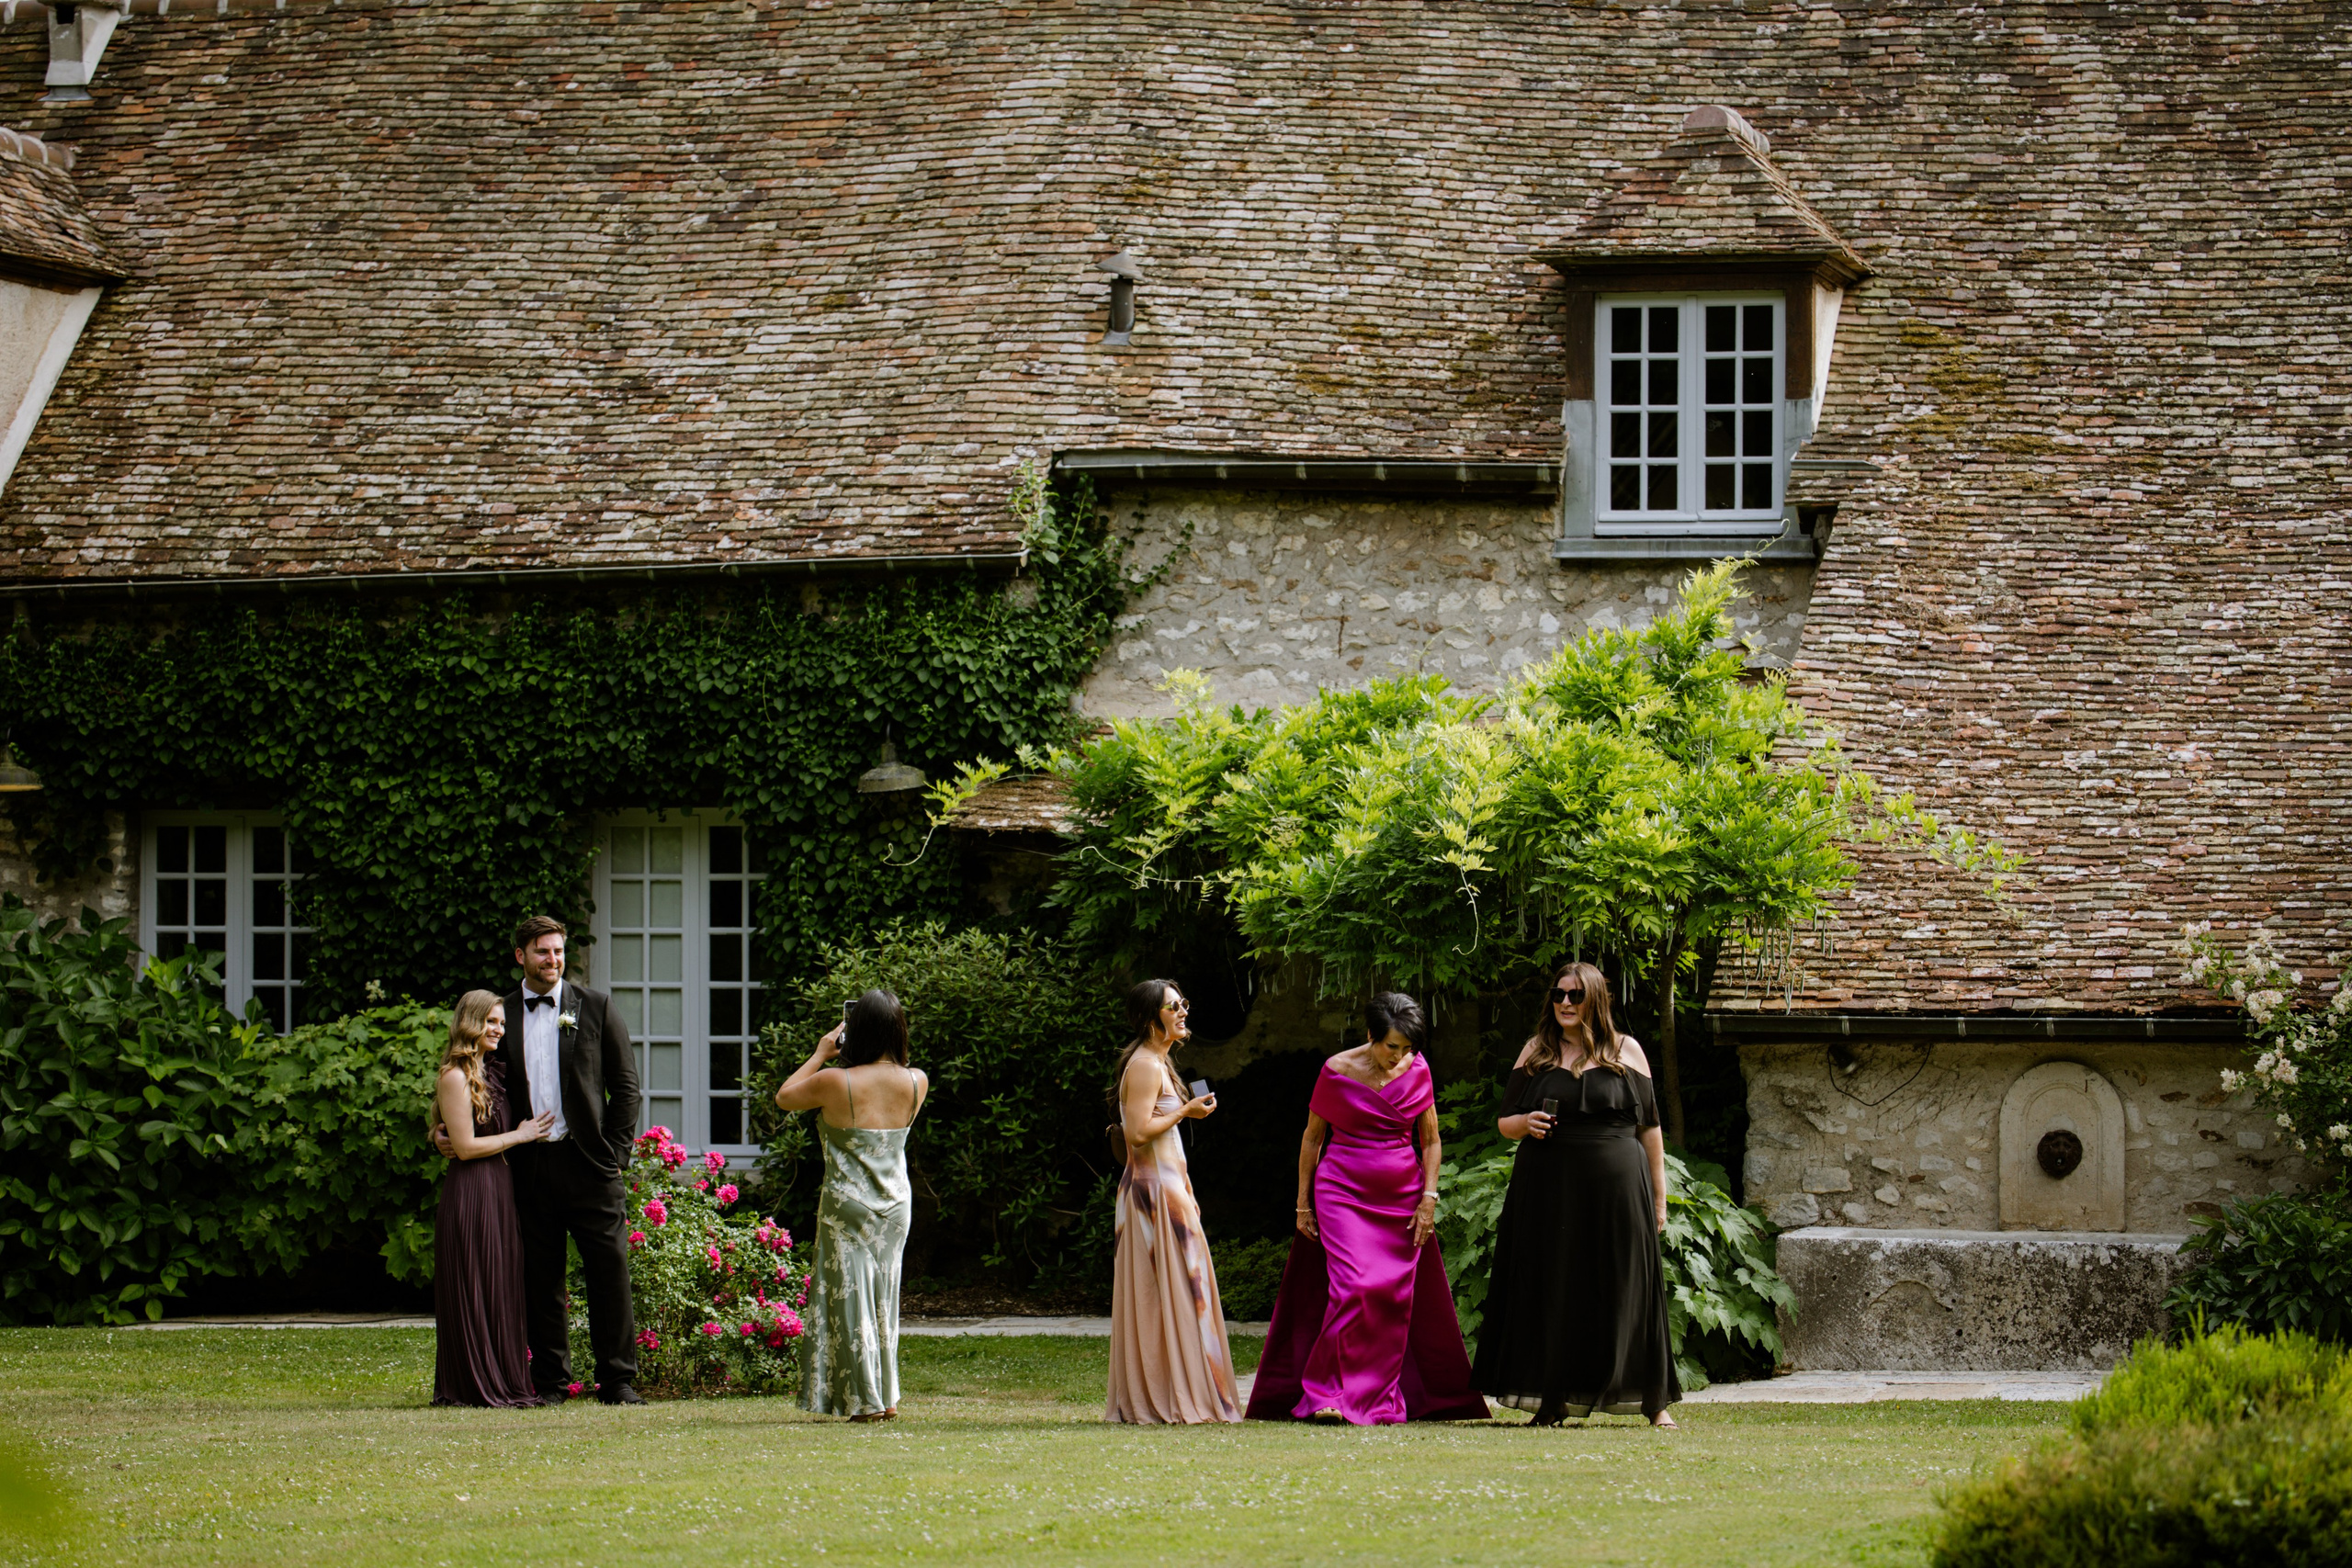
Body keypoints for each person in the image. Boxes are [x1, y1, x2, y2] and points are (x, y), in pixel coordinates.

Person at [1248, 992, 1488, 1425]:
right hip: (1342, 1190)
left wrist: (1429, 1199)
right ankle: (1324, 1393)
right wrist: (1303, 1204)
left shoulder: (1418, 1071)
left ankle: (1374, 1396)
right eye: (1391, 1047)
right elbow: (1311, 1138)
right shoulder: (1336, 1071)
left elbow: (1431, 1141)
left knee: (1390, 1296)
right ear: (1370, 1036)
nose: (1399, 1057)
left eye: (1408, 1049)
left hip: (1401, 1194)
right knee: (1353, 1288)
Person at [435, 915, 642, 1404]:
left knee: (609, 1271)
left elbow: (626, 1087)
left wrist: (616, 1154)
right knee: (540, 1277)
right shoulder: (499, 1015)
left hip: (591, 1164)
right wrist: (443, 1131)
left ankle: (618, 1381)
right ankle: (551, 1382)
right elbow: (468, 1082)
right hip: (526, 1167)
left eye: (558, 951)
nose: (553, 960)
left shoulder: (595, 1007)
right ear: (520, 956)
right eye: (542, 952)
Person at [1470, 961, 1680, 1427]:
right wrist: (1525, 1124)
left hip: (1618, 1188)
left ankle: (1654, 1403)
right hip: (1547, 1188)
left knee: (1627, 1284)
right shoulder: (1536, 1051)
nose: (1564, 1002)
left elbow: (1650, 1130)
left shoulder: (1628, 1052)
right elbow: (1505, 1122)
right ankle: (1552, 1400)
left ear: (1596, 1000)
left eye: (1575, 995)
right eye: (1558, 994)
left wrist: (1658, 1199)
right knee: (1551, 1286)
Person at [773, 987, 928, 1421]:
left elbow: (785, 1097)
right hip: (896, 1203)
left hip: (847, 1201)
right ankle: (888, 1397)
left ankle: (864, 1402)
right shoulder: (918, 1080)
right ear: (898, 1031)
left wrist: (822, 1052)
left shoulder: (834, 1081)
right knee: (884, 1299)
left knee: (851, 1301)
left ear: (854, 1031)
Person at [1104, 978, 1243, 1424]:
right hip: (1151, 1196)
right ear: (1151, 1019)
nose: (1183, 1012)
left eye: (1184, 1003)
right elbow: (1137, 1134)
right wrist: (1184, 1111)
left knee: (1183, 1292)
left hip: (1168, 1190)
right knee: (1164, 1295)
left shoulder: (1160, 1063)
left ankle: (1188, 1390)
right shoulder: (1144, 1066)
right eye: (1173, 1007)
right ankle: (1169, 1396)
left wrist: (1187, 1190)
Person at [430, 990, 557, 1407]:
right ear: (470, 1023)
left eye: (502, 1023)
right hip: (471, 1191)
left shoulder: (492, 1072)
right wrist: (520, 1135)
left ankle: (503, 1378)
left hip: (500, 1190)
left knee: (500, 1284)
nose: (500, 1030)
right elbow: (465, 1147)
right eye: (491, 1023)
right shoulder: (455, 1076)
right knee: (475, 1283)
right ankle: (472, 1383)